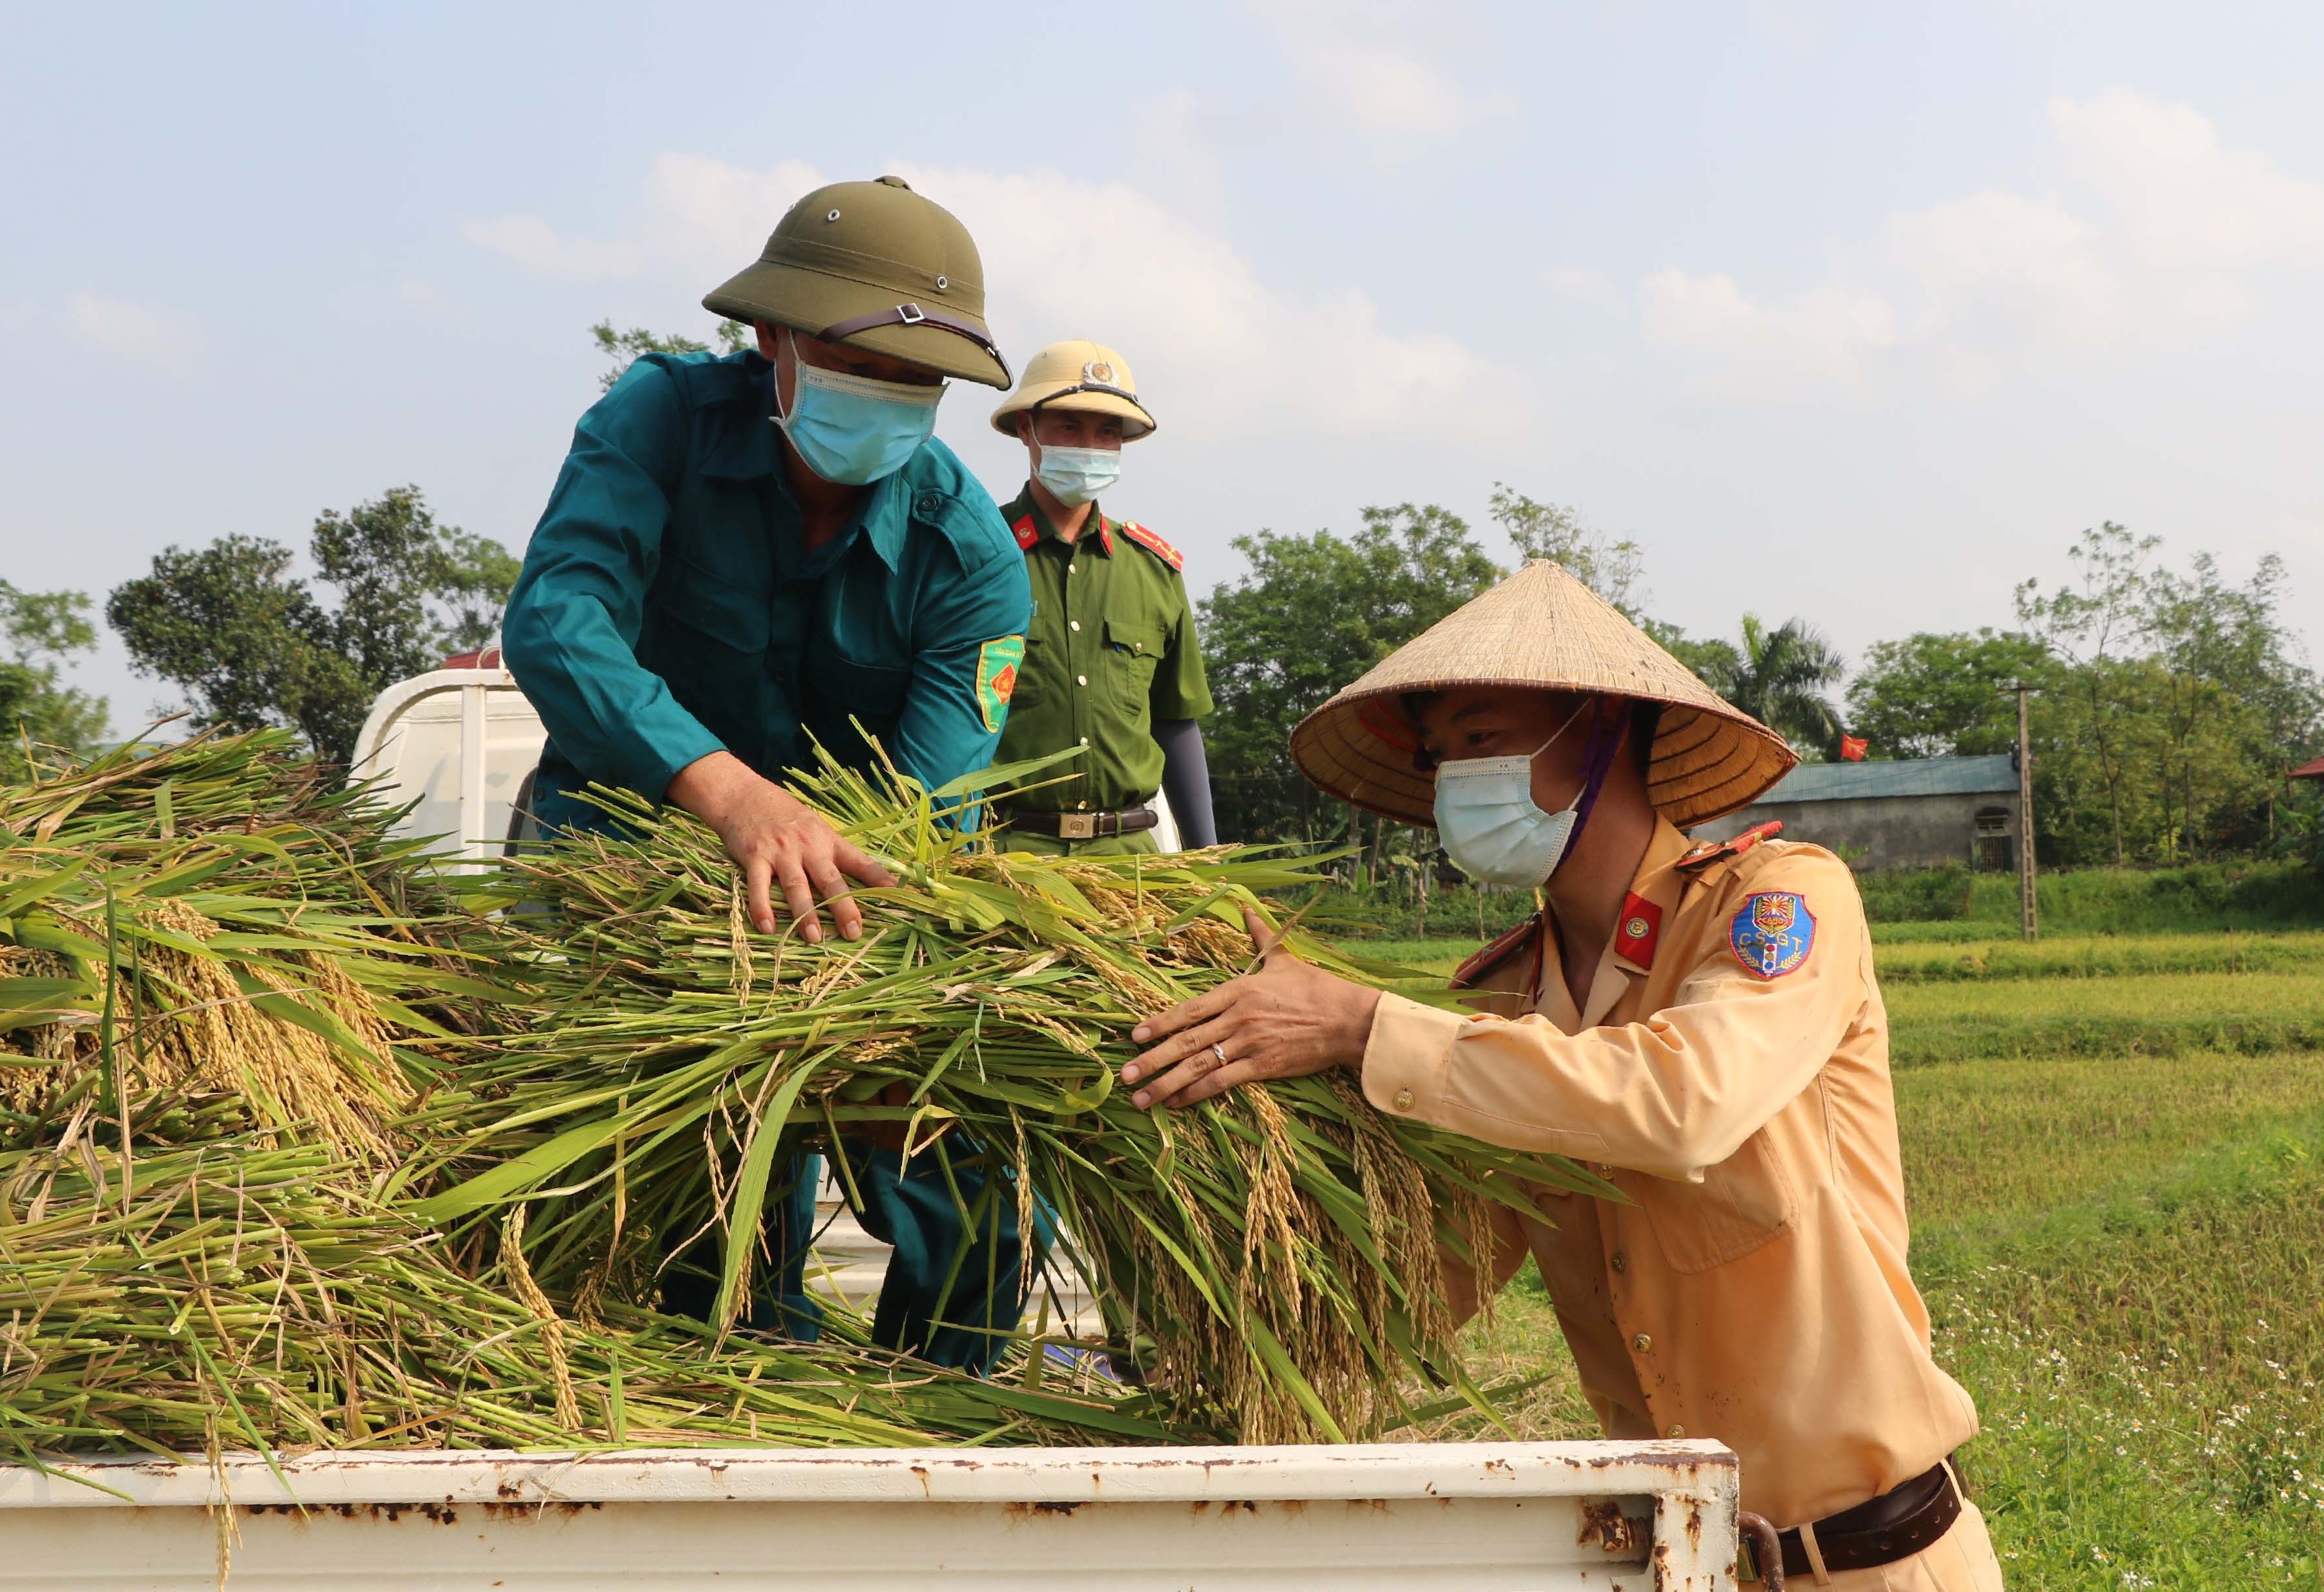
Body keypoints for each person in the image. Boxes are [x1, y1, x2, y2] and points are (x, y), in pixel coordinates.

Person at [1115, 561, 2003, 1589]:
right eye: (1441, 754)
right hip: (1678, 1561)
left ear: (1600, 731)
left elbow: (1686, 1104)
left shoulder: (1773, 903)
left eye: (1484, 741)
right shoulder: (1505, 1001)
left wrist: (1361, 1027)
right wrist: (1222, 1162)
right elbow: (1434, 1269)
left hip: (1868, 1563)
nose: (1456, 779)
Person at [501, 175, 1036, 1373]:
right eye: (860, 364)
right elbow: (557, 618)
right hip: (626, 852)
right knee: (704, 1192)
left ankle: (947, 1426)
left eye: (917, 383)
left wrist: (822, 899)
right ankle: (721, 1401)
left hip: (845, 882)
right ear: (771, 341)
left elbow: (924, 806)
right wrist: (727, 791)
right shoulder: (658, 421)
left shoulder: (975, 560)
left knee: (975, 1191)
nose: (889, 401)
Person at [983, 340, 1216, 854]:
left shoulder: (1153, 571)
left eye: (1107, 431)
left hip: (1132, 860)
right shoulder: (975, 556)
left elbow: (1177, 722)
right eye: (1070, 426)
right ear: (1027, 429)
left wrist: (1209, 860)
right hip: (1006, 858)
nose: (1089, 444)